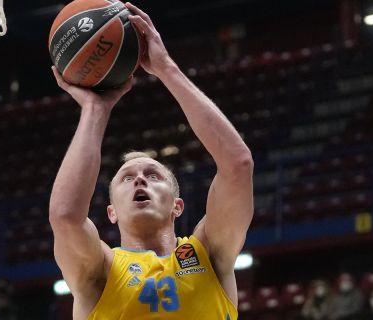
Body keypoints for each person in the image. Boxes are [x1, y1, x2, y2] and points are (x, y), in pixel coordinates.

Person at [49, 2, 254, 320]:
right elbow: (65, 217)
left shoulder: (209, 253)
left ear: (177, 205)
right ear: (111, 212)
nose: (140, 179)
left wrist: (166, 68)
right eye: (127, 177)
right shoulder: (99, 271)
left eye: (153, 175)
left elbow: (238, 165)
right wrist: (95, 110)